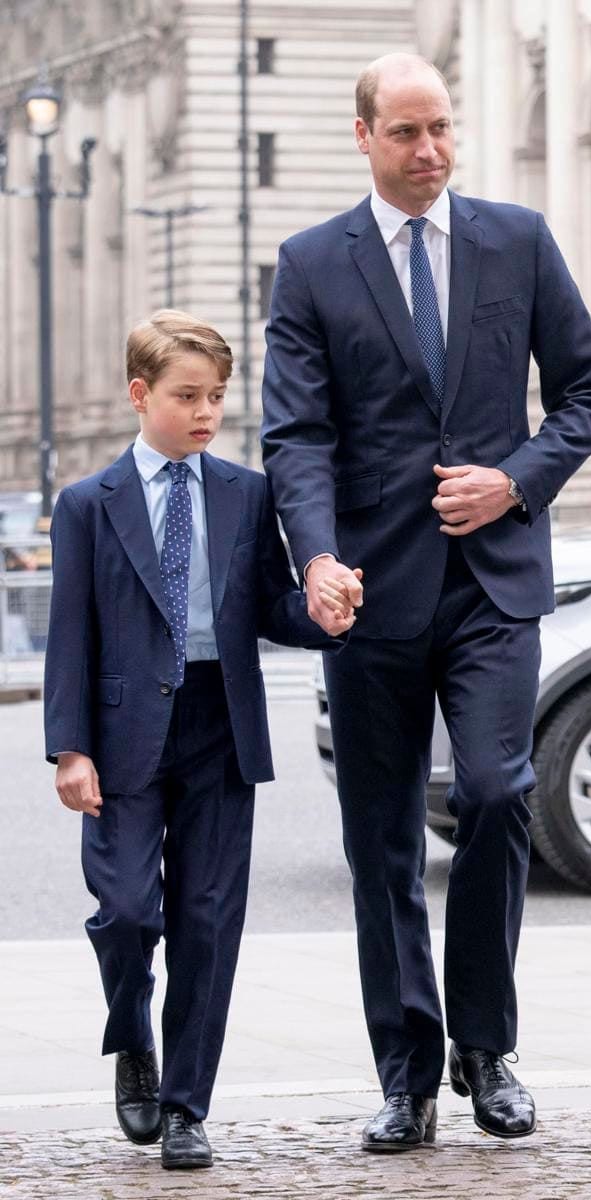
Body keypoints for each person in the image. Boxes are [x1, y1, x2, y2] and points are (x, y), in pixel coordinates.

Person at [260, 52, 591, 1151]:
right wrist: (315, 558)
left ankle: (488, 1048)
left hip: (494, 581)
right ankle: (407, 1072)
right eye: (407, 133)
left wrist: (515, 477)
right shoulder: (312, 263)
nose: (431, 152)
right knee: (381, 843)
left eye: (443, 130)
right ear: (363, 135)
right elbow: (296, 434)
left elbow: (588, 394)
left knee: (504, 795)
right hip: (366, 593)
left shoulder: (518, 240)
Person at [43, 311, 347, 1170]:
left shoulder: (246, 493)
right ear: (141, 396)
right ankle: (133, 1040)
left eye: (217, 395)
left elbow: (273, 606)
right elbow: (69, 633)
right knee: (131, 911)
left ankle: (186, 1105)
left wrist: (324, 612)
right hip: (121, 732)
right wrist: (70, 747)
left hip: (221, 724)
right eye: (187, 396)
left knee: (208, 925)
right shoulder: (86, 505)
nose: (207, 411)